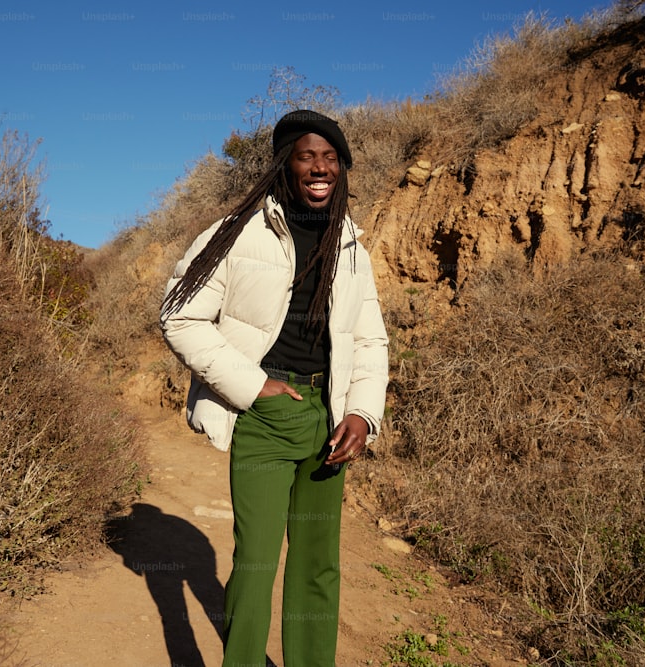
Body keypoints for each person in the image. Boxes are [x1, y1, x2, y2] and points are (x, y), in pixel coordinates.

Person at [159, 109, 388, 667]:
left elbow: (369, 339)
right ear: (284, 164)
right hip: (264, 414)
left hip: (326, 418)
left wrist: (361, 413)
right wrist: (254, 386)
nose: (320, 166)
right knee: (257, 562)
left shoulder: (351, 245)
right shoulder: (237, 232)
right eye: (308, 155)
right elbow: (179, 316)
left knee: (317, 563)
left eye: (331, 157)